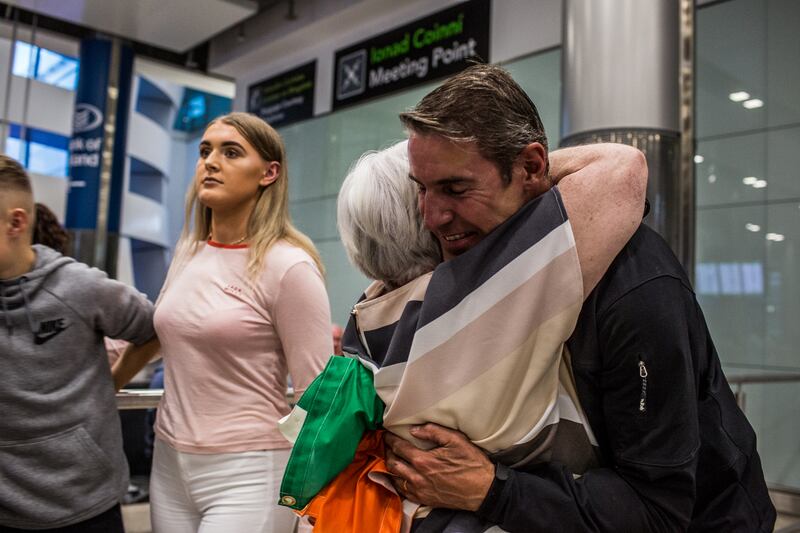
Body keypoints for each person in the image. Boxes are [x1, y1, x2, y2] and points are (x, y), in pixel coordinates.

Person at [383, 64, 776, 532]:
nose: (432, 216)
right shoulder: (491, 267)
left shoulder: (635, 289)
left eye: (455, 188)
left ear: (530, 167)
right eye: (422, 189)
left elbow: (657, 511)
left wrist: (492, 489)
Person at [113, 112, 333, 533]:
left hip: (249, 469)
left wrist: (314, 509)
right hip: (170, 463)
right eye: (205, 151)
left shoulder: (289, 267)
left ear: (268, 173)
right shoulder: (189, 251)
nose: (210, 162)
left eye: (231, 152)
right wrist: (106, 378)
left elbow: (316, 396)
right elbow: (165, 331)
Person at [0, 155, 159, 532]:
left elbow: (153, 327)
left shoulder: (78, 287)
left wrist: (113, 380)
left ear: (16, 223)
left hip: (86, 507)